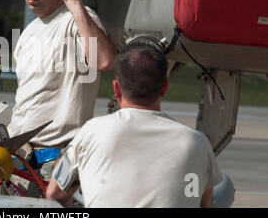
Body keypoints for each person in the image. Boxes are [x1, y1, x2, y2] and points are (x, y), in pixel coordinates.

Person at [46, 42, 223, 207]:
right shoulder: (197, 142)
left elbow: (55, 195)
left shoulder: (91, 132)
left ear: (116, 89)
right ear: (164, 88)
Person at [7, 0, 116, 196]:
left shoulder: (77, 19)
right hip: (21, 160)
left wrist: (75, 2)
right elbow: (29, 103)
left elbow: (104, 61)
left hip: (56, 164)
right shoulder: (28, 33)